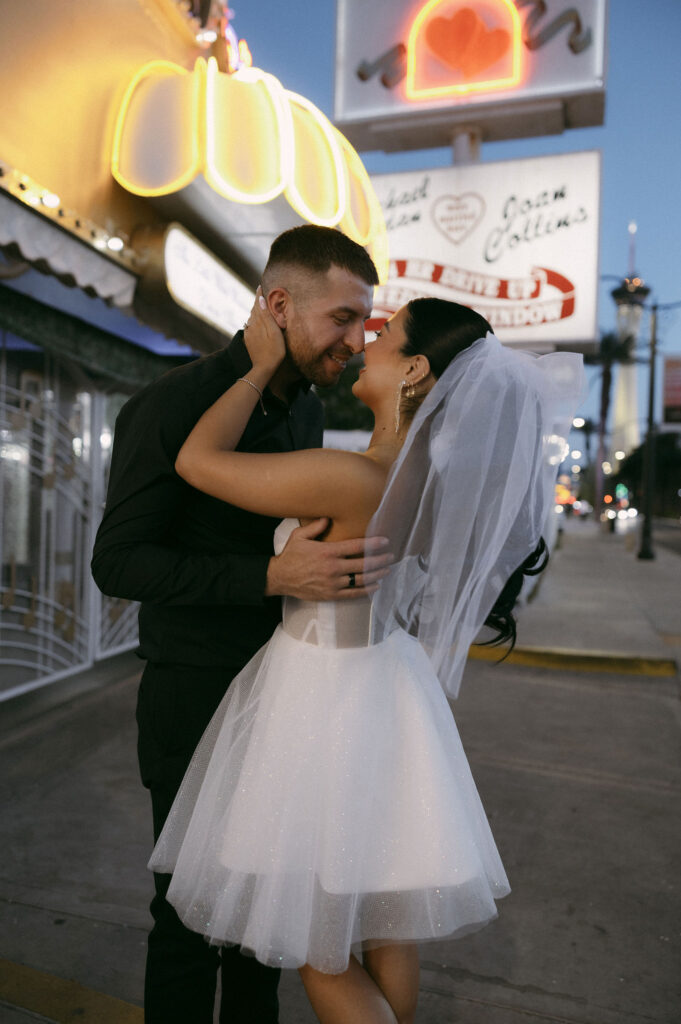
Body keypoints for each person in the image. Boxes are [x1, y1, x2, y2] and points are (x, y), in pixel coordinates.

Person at [149, 295, 584, 1023]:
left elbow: (194, 461)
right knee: (386, 923)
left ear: (413, 367)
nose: (364, 344)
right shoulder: (431, 482)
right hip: (387, 688)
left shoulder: (349, 478)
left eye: (382, 335)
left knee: (322, 952)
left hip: (321, 698)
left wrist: (258, 368)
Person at [90, 225, 388, 1024]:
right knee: (189, 918)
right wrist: (268, 575)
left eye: (365, 323)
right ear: (279, 304)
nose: (355, 342)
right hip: (195, 697)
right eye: (342, 319)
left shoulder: (305, 411)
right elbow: (117, 563)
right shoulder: (170, 404)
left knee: (268, 925)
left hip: (286, 702)